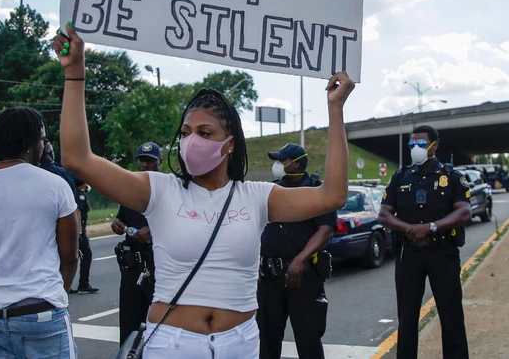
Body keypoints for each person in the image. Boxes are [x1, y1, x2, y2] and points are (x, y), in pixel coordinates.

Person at [52, 23, 354, 358]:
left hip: (238, 345)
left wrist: (335, 109)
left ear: (228, 145)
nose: (191, 141)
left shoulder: (256, 197)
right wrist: (74, 72)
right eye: (185, 132)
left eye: (204, 132)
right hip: (171, 345)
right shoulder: (159, 190)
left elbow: (333, 196)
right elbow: (77, 159)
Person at [0, 107, 80, 359]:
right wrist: (57, 297)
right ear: (30, 142)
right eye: (42, 139)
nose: (44, 145)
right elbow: (70, 256)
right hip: (42, 312)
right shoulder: (55, 186)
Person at [378, 125, 472, 359]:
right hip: (409, 254)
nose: (416, 149)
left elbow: (464, 213)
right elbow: (384, 214)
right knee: (407, 316)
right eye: (412, 145)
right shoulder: (400, 177)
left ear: (434, 146)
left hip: (443, 253)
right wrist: (410, 228)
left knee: (451, 314)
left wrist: (431, 227)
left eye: (421, 144)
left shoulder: (451, 176)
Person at [258, 143, 335, 359]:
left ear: (297, 163)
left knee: (308, 337)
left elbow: (326, 230)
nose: (277, 165)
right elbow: (256, 227)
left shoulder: (316, 189)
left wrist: (300, 260)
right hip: (269, 275)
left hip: (302, 275)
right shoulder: (272, 190)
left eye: (282, 161)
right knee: (267, 337)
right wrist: (255, 261)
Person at [110, 141, 161, 345]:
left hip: (159, 267)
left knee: (163, 325)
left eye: (150, 161)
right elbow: (121, 218)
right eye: (142, 161)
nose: (146, 165)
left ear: (160, 162)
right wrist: (117, 224)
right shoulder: (130, 188)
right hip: (132, 267)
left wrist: (154, 231)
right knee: (130, 327)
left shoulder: (169, 188)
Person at [40, 140, 98, 294]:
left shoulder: (34, 174)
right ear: (51, 153)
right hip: (67, 222)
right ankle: (74, 285)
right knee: (75, 254)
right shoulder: (63, 174)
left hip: (45, 225)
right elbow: (74, 208)